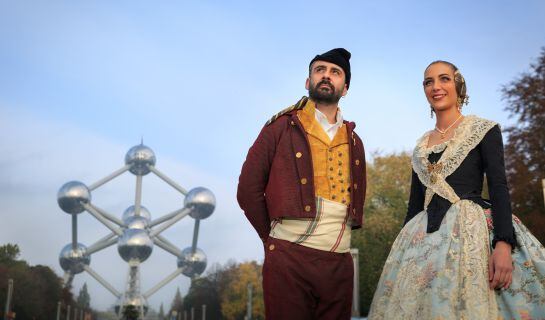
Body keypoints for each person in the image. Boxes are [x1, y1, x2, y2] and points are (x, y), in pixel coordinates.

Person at [368, 60, 545, 319]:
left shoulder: (483, 129)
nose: (436, 87)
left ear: (458, 84)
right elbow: (414, 207)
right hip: (422, 241)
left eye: (444, 79)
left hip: (472, 233)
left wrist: (504, 244)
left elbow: (498, 186)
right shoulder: (420, 148)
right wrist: (400, 258)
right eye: (429, 82)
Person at [237, 48, 367, 320]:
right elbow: (248, 190)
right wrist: (272, 240)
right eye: (320, 70)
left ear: (345, 88)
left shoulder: (355, 142)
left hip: (339, 262)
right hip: (288, 258)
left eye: (335, 72)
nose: (326, 76)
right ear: (308, 82)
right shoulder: (280, 127)